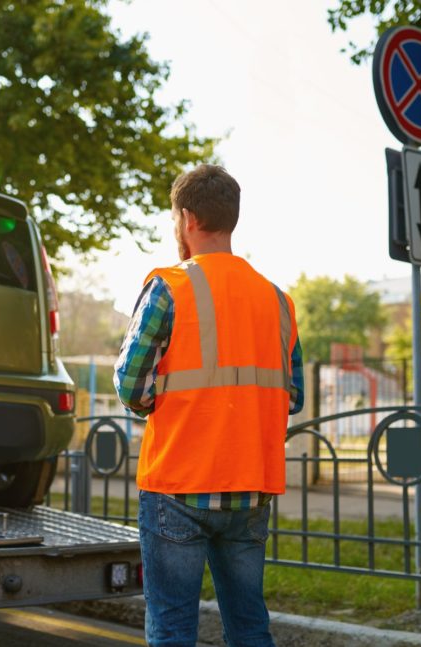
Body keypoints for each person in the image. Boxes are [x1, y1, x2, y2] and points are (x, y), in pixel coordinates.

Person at [114, 164, 304, 647]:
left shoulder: (168, 287)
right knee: (248, 625)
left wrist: (167, 403)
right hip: (250, 488)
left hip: (179, 484)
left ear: (188, 218)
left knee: (173, 629)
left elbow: (130, 384)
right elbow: (293, 394)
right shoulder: (277, 301)